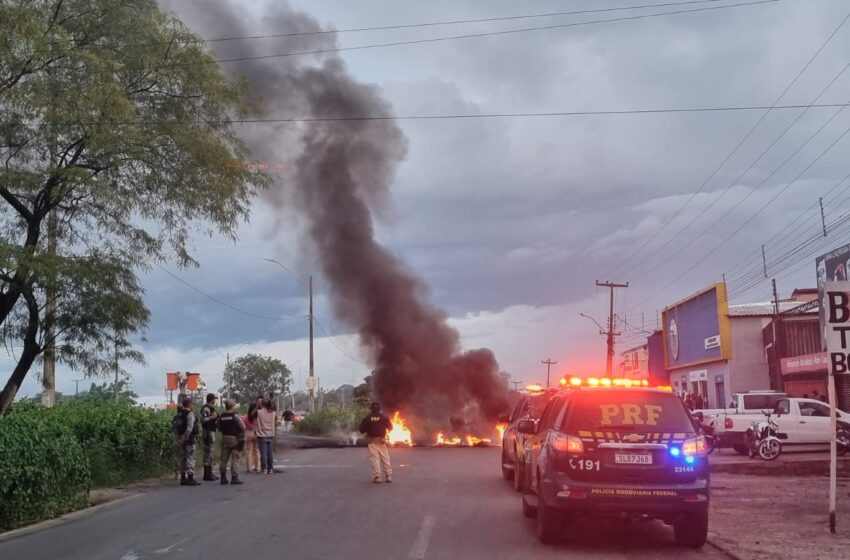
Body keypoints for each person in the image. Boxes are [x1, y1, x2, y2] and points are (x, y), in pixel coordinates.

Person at [359, 402, 393, 484]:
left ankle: (377, 477)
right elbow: (390, 427)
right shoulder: (384, 417)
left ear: (371, 409)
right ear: (379, 409)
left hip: (372, 440)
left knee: (374, 458)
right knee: (385, 458)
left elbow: (361, 430)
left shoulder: (367, 418)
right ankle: (388, 476)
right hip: (382, 440)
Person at [217, 400, 246, 485]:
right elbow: (243, 427)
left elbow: (219, 428)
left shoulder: (221, 416)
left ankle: (223, 477)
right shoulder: (235, 416)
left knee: (223, 459)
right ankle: (234, 478)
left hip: (224, 438)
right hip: (234, 439)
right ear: (232, 407)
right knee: (235, 458)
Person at [174, 396, 201, 486]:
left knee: (183, 459)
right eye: (192, 403)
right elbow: (189, 428)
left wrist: (179, 440)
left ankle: (183, 478)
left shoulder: (179, 415)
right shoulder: (190, 414)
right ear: (189, 404)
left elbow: (177, 428)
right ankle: (190, 477)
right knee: (190, 458)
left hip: (181, 439)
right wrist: (184, 439)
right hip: (189, 440)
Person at [200, 393, 220, 481]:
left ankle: (210, 473)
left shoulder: (211, 409)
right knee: (208, 453)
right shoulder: (206, 409)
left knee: (210, 454)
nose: (215, 400)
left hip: (211, 431)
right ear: (211, 399)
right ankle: (206, 474)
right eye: (214, 399)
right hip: (207, 432)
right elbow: (203, 420)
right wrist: (213, 417)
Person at [256, 399, 277, 474]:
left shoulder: (259, 412)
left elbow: (251, 415)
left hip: (262, 434)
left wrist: (257, 406)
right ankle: (270, 468)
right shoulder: (273, 413)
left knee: (263, 452)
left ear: (261, 404)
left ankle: (264, 468)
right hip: (270, 434)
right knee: (270, 452)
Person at [243, 403, 261, 473]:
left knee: (248, 451)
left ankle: (249, 467)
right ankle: (257, 467)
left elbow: (242, 424)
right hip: (256, 433)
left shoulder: (245, 417)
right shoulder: (258, 417)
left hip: (248, 433)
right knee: (257, 450)